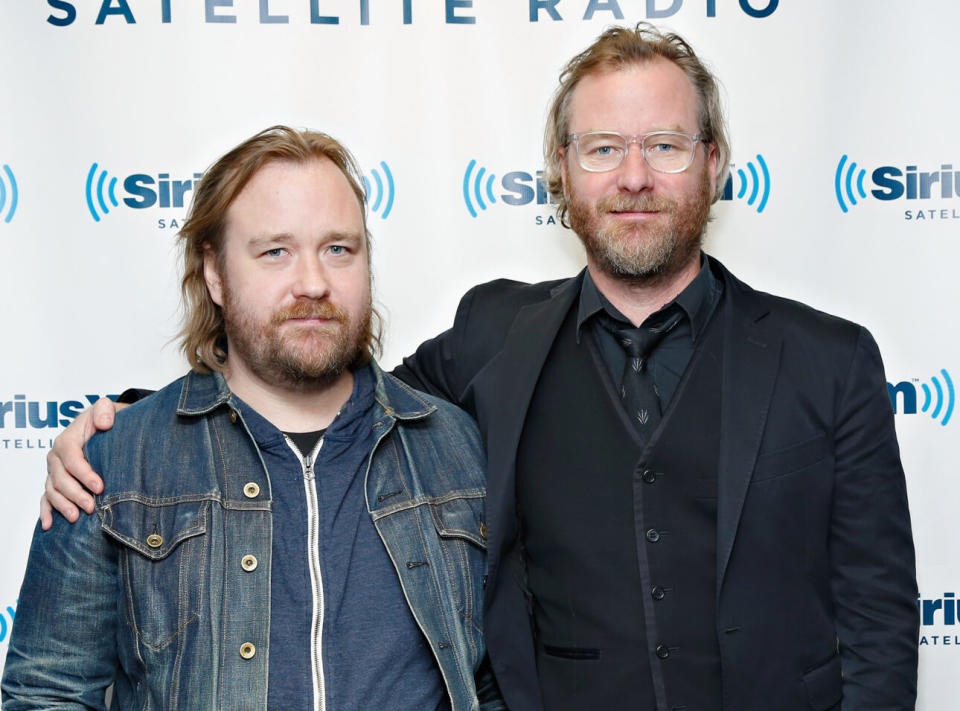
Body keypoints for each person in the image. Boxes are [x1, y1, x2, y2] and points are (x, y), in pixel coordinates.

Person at [38, 24, 919, 711]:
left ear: (715, 165)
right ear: (561, 176)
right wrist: (128, 422)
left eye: (668, 145)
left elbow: (880, 623)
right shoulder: (496, 338)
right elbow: (314, 382)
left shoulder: (829, 360)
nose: (635, 175)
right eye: (603, 148)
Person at [2, 126, 498, 711]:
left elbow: (491, 678)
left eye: (338, 248)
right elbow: (46, 692)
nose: (313, 283)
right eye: (275, 252)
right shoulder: (116, 460)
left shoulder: (453, 446)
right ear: (214, 273)